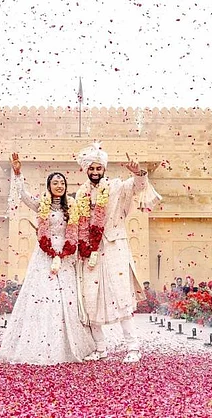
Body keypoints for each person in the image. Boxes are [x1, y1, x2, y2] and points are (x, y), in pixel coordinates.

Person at [0, 153, 95, 365]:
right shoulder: (41, 204)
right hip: (44, 256)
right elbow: (23, 195)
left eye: (62, 182)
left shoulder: (73, 206)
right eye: (55, 182)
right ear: (49, 186)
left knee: (66, 298)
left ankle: (69, 345)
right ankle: (39, 344)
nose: (59, 185)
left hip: (66, 257)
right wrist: (18, 172)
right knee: (43, 297)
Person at [76, 143, 160, 364]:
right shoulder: (80, 194)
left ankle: (133, 347)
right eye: (91, 169)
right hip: (90, 251)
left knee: (122, 296)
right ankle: (100, 348)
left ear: (104, 169)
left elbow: (137, 186)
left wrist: (138, 172)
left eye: (98, 168)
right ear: (86, 170)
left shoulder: (115, 186)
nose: (95, 172)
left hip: (115, 247)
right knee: (89, 297)